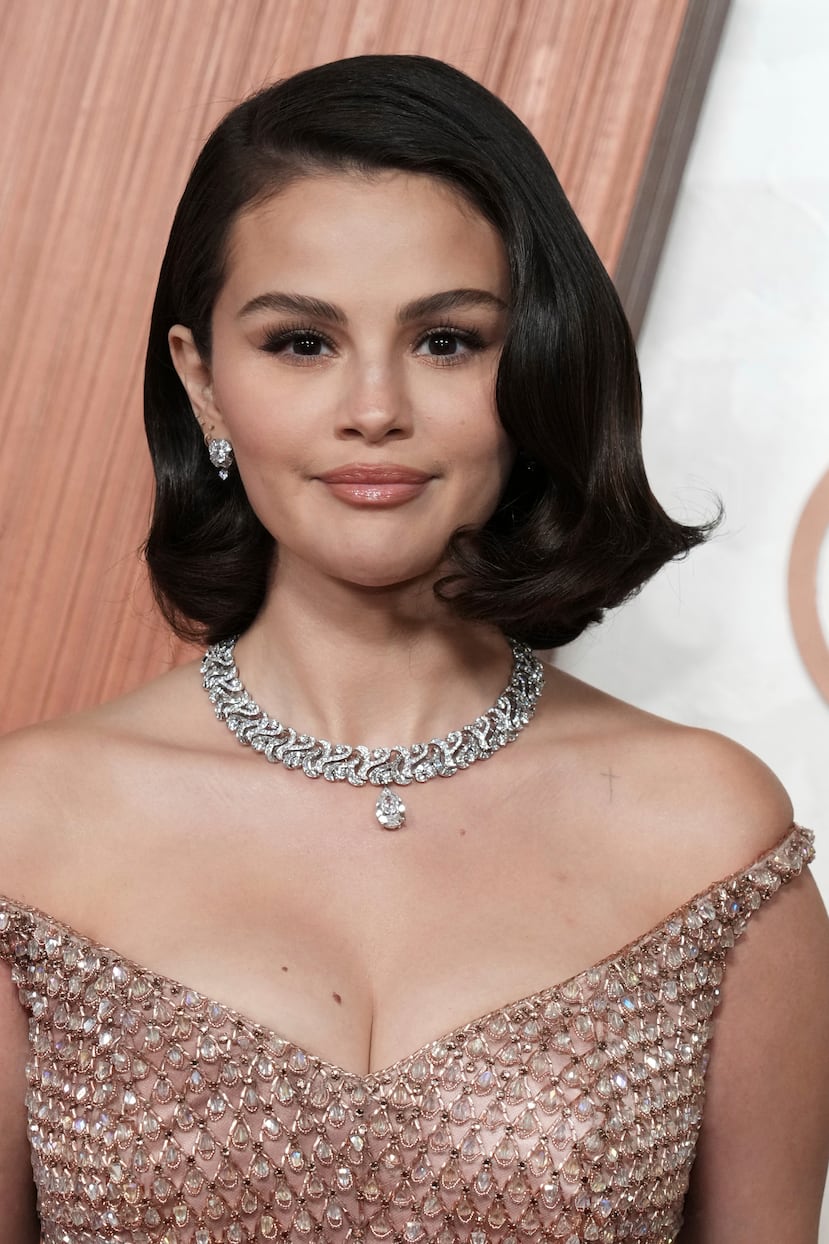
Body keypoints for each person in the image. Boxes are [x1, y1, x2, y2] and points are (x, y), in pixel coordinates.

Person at [0, 53, 827, 1244]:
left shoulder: (711, 842)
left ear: (533, 362)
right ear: (203, 382)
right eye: (300, 342)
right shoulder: (28, 831)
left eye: (445, 340)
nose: (374, 405)